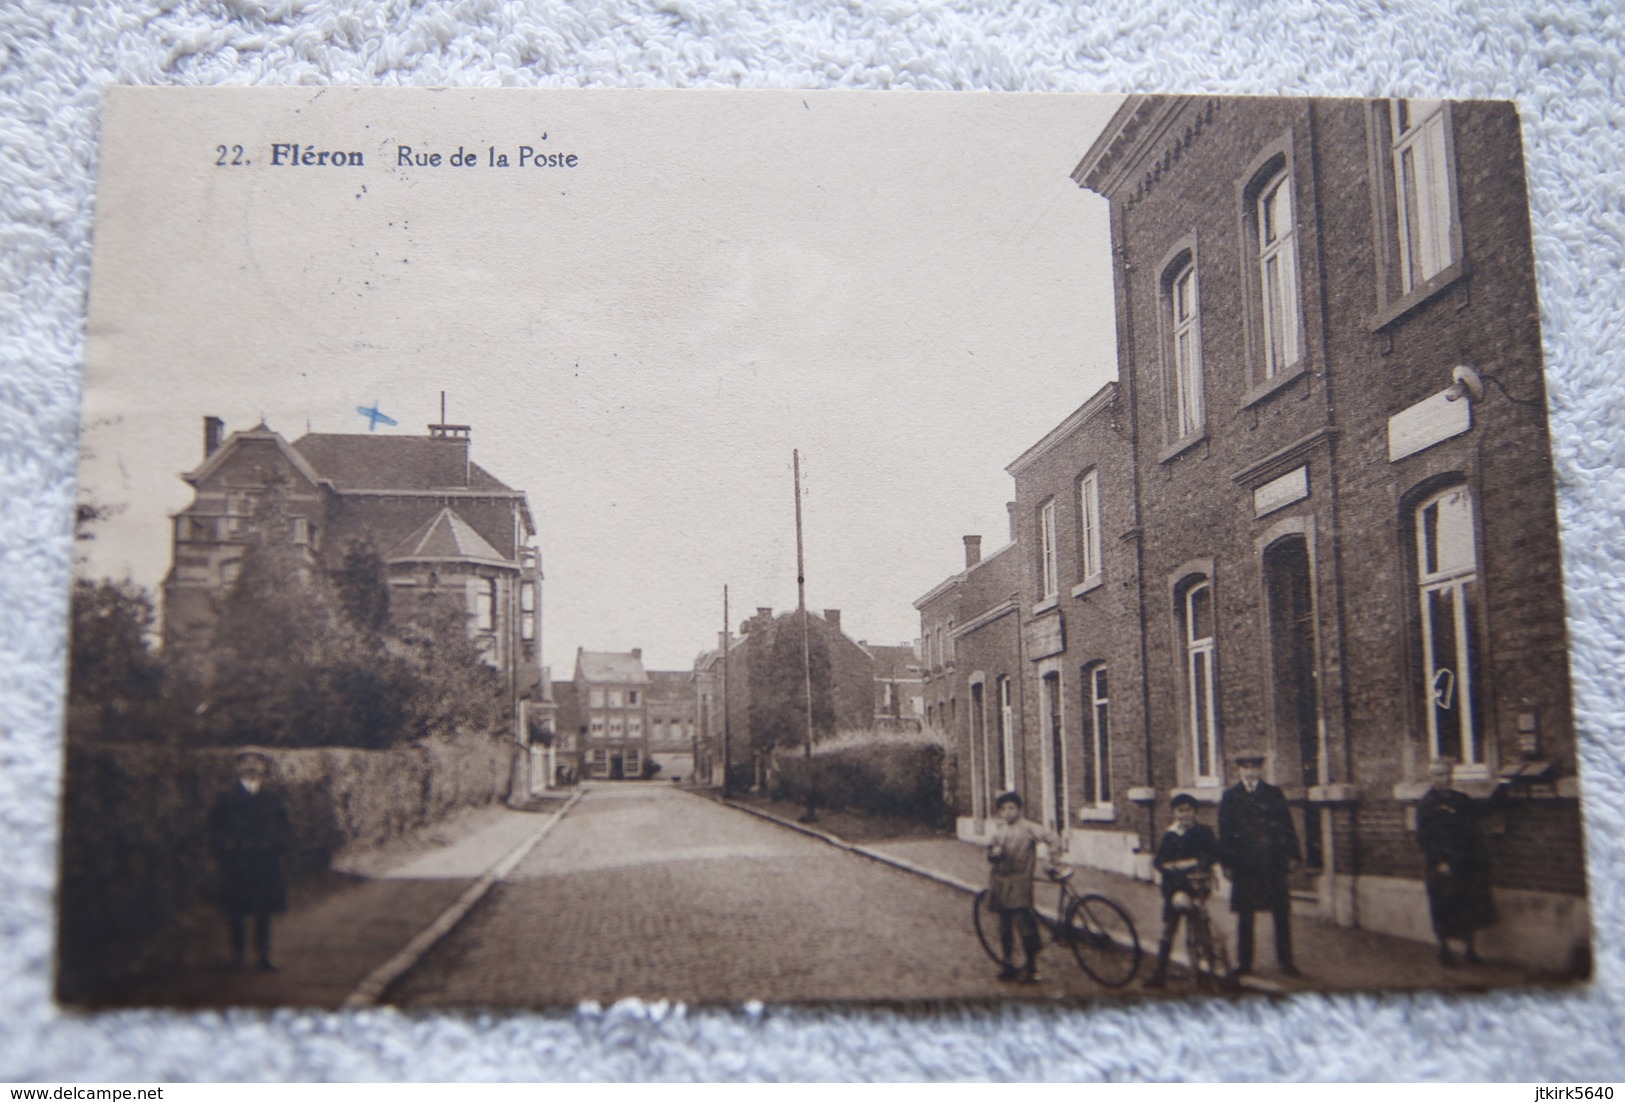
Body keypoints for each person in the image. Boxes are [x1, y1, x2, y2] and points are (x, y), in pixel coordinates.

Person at [1218, 750, 1302, 977]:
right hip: (1245, 864)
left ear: (1260, 769)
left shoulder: (1274, 794)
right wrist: (1226, 863)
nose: (1250, 772)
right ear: (1239, 771)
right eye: (1245, 768)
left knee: (1280, 912)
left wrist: (1293, 854)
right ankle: (1244, 963)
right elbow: (1225, 833)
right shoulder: (1231, 797)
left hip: (1272, 861)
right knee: (1246, 914)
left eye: (1254, 767)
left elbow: (1287, 826)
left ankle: (1286, 961)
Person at [208, 748, 292, 971]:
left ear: (264, 768)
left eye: (256, 762)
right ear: (237, 768)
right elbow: (215, 828)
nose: (251, 766)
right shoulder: (226, 798)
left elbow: (285, 828)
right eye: (246, 762)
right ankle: (237, 956)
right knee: (237, 911)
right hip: (238, 861)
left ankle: (264, 956)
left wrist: (276, 845)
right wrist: (225, 846)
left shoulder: (273, 798)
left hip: (265, 861)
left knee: (263, 912)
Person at [1416, 757, 1497, 966]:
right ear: (1431, 777)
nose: (1441, 779)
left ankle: (1470, 950)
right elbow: (1425, 838)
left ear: (1451, 775)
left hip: (1464, 863)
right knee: (1443, 907)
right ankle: (1444, 951)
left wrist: (1501, 790)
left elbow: (1476, 816)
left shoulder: (1460, 799)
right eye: (1437, 774)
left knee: (1467, 905)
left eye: (1445, 774)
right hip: (1442, 865)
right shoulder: (1426, 804)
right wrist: (1439, 862)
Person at [1145, 793, 1222, 988]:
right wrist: (1169, 867)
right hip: (1175, 887)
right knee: (1169, 929)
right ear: (1174, 813)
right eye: (1180, 811)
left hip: (1197, 885)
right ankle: (1159, 973)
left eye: (1188, 810)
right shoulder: (1171, 835)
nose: (1184, 815)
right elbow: (1159, 861)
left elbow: (1214, 854)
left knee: (1201, 925)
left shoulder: (1203, 832)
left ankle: (1206, 967)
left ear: (1195, 812)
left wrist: (1194, 862)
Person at [986, 791, 1064, 984]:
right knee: (1004, 926)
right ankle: (1008, 964)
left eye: (1011, 808)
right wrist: (993, 854)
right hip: (999, 881)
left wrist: (1051, 862)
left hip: (1020, 881)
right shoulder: (999, 830)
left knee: (1025, 925)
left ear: (1019, 810)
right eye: (1003, 809)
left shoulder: (1029, 828)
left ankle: (1032, 968)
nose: (1007, 812)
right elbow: (990, 855)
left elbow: (1052, 838)